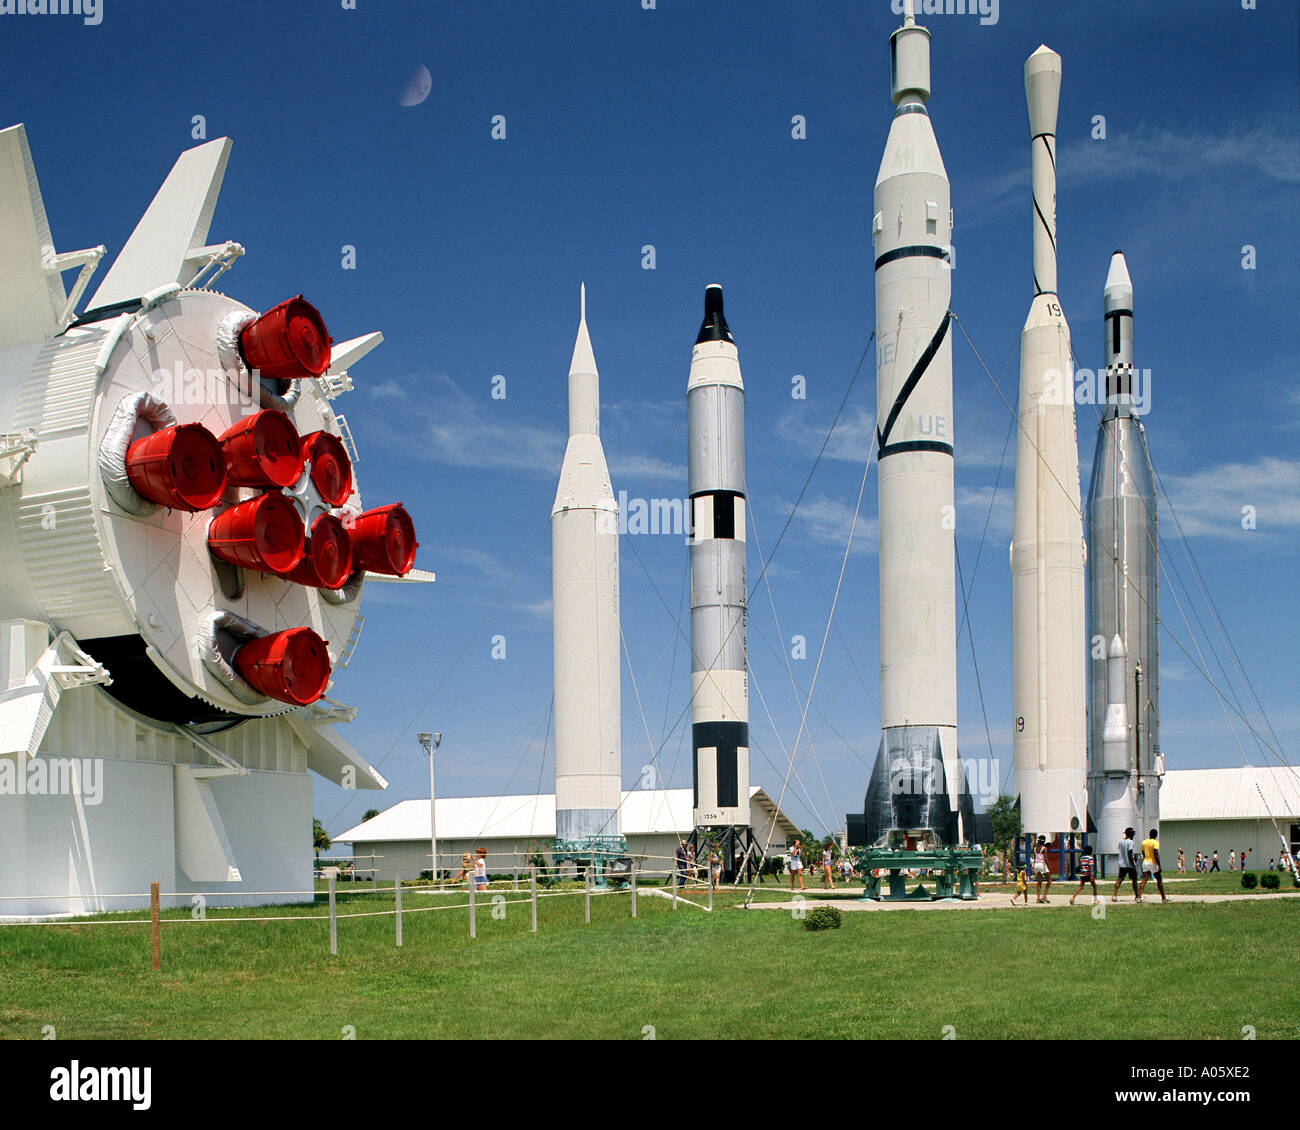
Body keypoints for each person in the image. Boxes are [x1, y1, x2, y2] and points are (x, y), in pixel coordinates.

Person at [1138, 829, 1168, 903]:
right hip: (1152, 862)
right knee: (1159, 880)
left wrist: (1145, 859)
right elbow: (1156, 853)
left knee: (1144, 879)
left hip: (1145, 862)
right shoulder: (1155, 842)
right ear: (1156, 835)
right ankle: (1163, 898)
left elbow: (1143, 852)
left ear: (1149, 834)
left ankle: (1138, 897)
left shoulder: (1144, 842)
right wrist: (1159, 865)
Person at [1113, 828, 1140, 902]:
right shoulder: (1130, 842)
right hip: (1129, 864)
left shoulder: (1121, 841)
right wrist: (1133, 864)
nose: (1133, 835)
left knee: (1120, 879)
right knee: (1134, 880)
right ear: (1130, 834)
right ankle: (1137, 896)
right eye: (1133, 834)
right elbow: (1129, 853)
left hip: (1122, 863)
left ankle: (1114, 895)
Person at [1032, 836, 1052, 902]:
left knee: (1039, 881)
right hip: (1042, 864)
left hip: (1036, 865)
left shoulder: (1035, 848)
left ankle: (1038, 897)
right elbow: (1045, 858)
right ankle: (1044, 896)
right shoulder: (1044, 848)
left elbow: (1034, 857)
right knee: (1049, 880)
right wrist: (1049, 867)